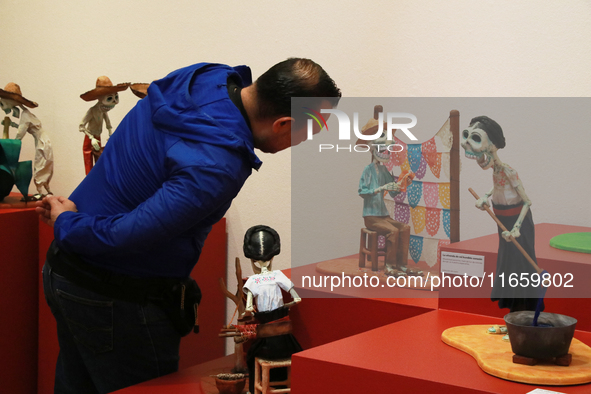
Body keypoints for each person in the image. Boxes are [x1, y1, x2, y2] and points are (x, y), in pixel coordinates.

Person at [36, 58, 340, 394]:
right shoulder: (217, 164)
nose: (304, 142)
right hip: (113, 292)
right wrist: (66, 222)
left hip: (67, 270)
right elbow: (126, 236)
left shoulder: (207, 76)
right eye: (309, 131)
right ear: (283, 124)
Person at [461, 115, 541, 313]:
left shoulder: (508, 171)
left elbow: (527, 201)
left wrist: (516, 229)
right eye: (466, 136)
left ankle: (524, 313)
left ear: (493, 145)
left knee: (519, 266)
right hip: (502, 220)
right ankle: (514, 313)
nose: (468, 143)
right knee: (506, 265)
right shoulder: (496, 171)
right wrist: (486, 197)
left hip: (516, 223)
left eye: (476, 138)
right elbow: (498, 186)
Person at [241, 225, 302, 394]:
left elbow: (249, 307)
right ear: (271, 258)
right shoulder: (278, 276)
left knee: (252, 355)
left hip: (266, 341)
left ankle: (255, 390)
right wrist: (285, 307)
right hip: (286, 340)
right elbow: (297, 298)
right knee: (299, 353)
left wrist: (249, 311)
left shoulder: (253, 280)